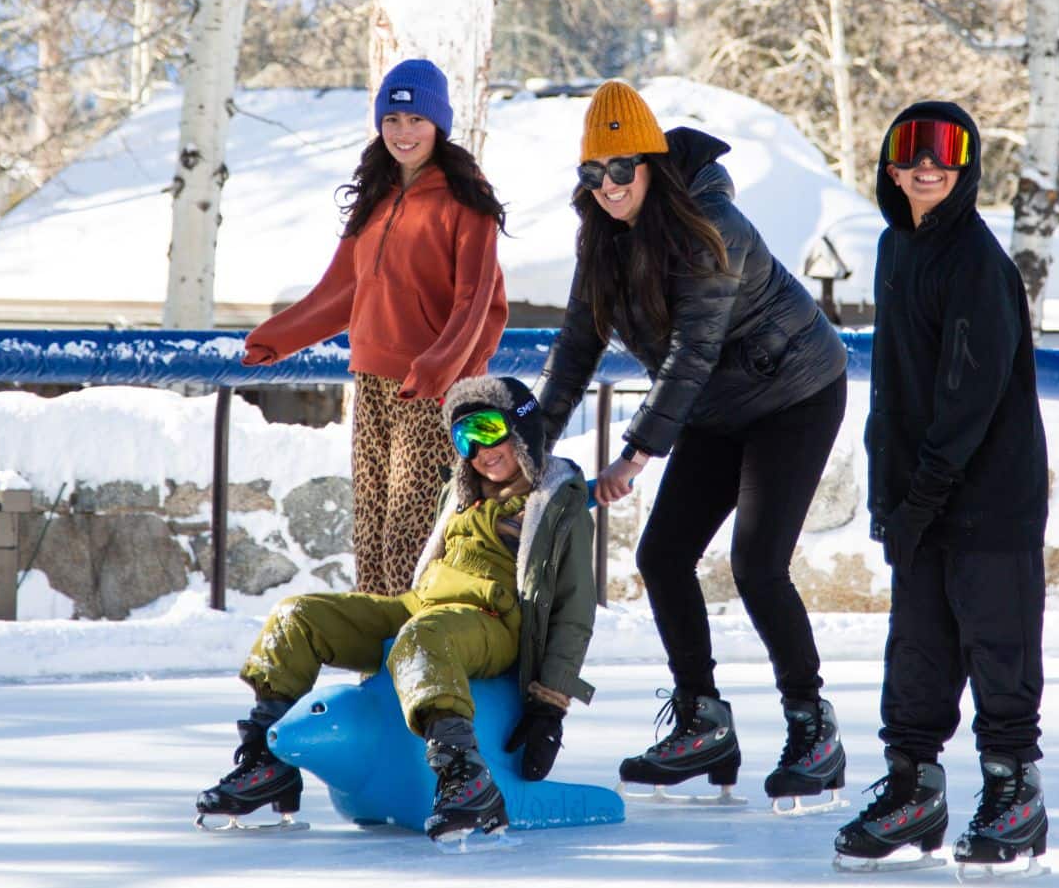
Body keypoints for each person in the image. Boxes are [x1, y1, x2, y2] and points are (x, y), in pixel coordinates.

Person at [533, 79, 852, 809]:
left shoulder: (713, 227)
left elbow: (691, 353)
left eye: (621, 169)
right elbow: (575, 351)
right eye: (594, 173)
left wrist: (635, 455)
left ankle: (813, 728)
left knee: (756, 562)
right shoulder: (602, 240)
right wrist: (527, 450)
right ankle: (703, 719)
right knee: (662, 554)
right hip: (715, 406)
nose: (608, 186)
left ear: (650, 164)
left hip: (793, 393)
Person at [196, 376, 599, 844]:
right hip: (424, 607)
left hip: (493, 620)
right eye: (464, 438)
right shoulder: (461, 493)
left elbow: (575, 608)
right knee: (298, 615)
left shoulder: (554, 506)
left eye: (488, 430)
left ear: (522, 429)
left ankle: (464, 775)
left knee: (425, 634)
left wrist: (550, 706)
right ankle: (267, 764)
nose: (479, 450)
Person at [832, 102, 1052, 876]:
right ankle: (914, 789)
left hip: (988, 494)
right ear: (890, 166)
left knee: (997, 643)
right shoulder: (898, 247)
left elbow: (971, 394)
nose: (928, 167)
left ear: (968, 167)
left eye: (947, 153)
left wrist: (923, 491)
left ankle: (1013, 794)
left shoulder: (976, 262)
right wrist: (893, 488)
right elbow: (898, 383)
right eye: (911, 153)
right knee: (918, 650)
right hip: (920, 490)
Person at [241, 59, 509, 597]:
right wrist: (276, 338)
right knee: (369, 528)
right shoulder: (376, 193)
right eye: (392, 119)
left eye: (415, 120)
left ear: (438, 125)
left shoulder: (466, 199)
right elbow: (342, 290)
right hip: (372, 381)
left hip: (435, 387)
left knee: (410, 534)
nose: (403, 132)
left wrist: (437, 368)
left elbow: (475, 302)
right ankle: (375, 654)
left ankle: (410, 648)